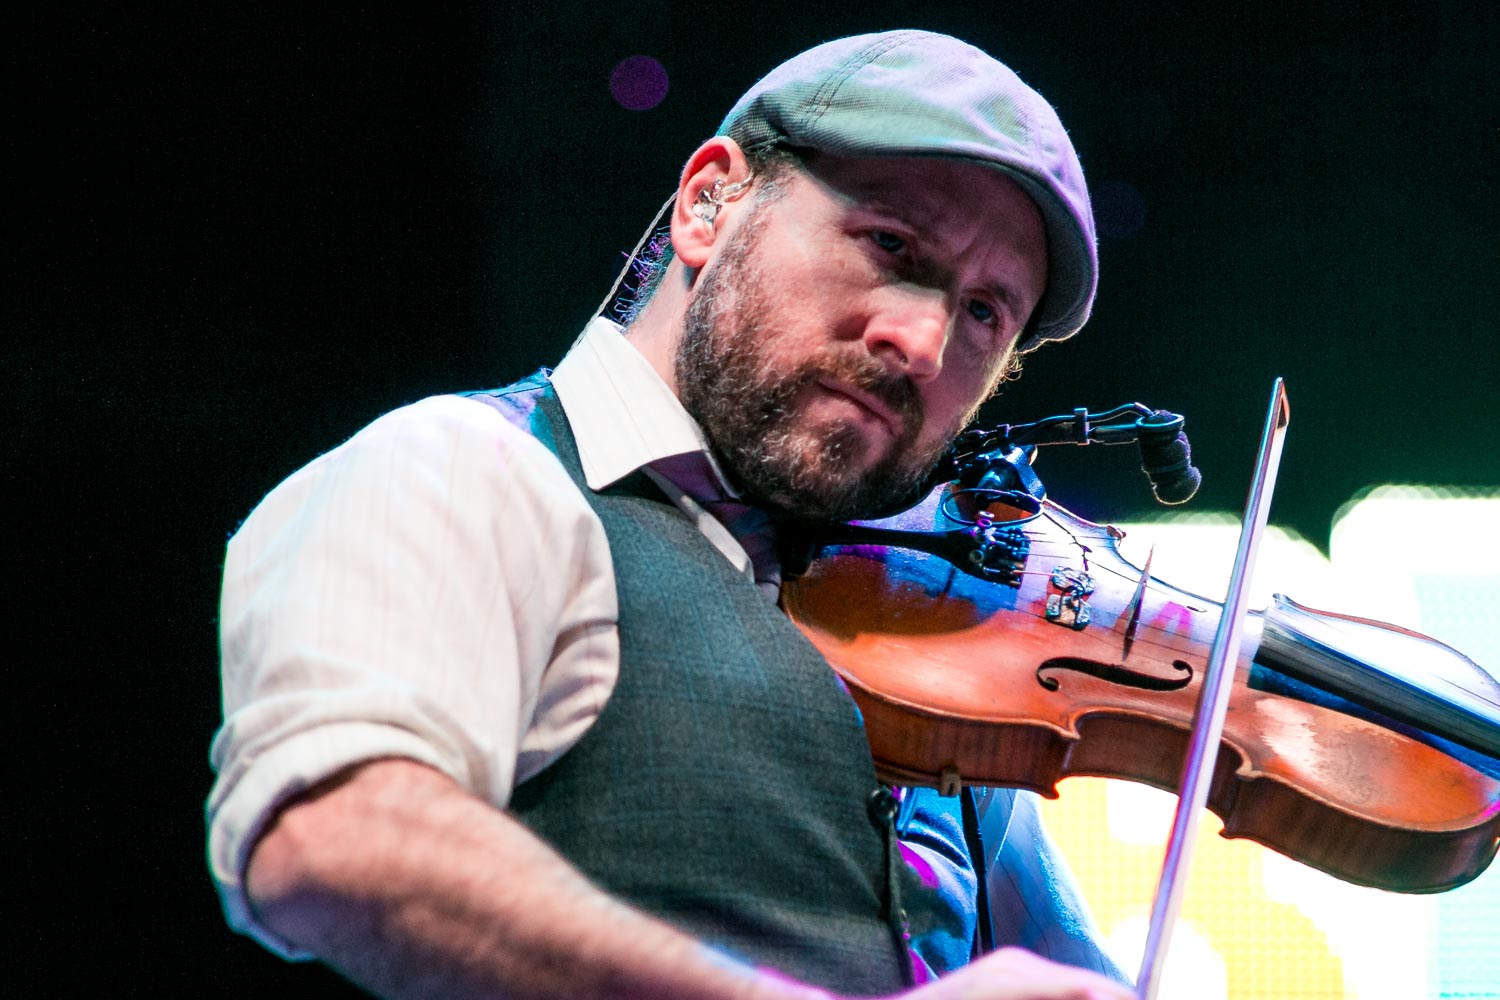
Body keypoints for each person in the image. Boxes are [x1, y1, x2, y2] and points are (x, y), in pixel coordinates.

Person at [208, 30, 1135, 1000]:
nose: (922, 341)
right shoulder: (472, 474)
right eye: (892, 246)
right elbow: (332, 833)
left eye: (986, 313)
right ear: (708, 204)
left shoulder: (939, 655)